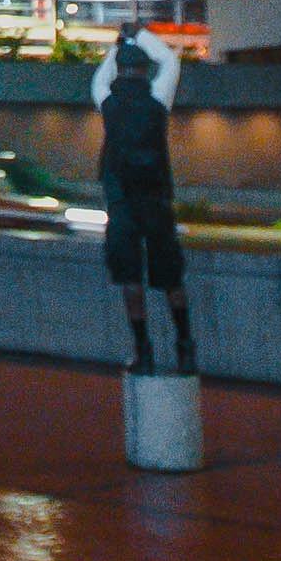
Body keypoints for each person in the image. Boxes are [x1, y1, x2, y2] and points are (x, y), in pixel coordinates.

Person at [93, 25, 195, 374]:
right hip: (156, 201)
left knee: (130, 277)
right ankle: (185, 349)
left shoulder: (107, 101)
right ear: (143, 69)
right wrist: (142, 34)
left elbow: (102, 78)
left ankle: (143, 351)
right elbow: (169, 60)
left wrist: (118, 45)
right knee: (170, 277)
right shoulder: (157, 98)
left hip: (121, 202)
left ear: (121, 69)